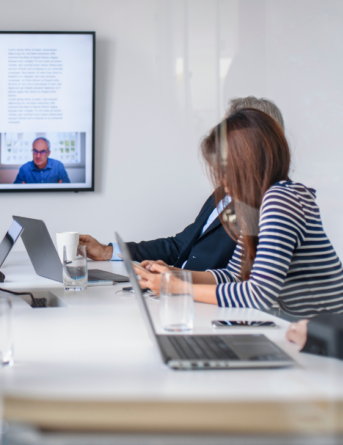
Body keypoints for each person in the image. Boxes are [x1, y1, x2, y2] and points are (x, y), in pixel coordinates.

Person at [134, 108, 343, 317]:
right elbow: (234, 275)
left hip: (328, 337)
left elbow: (258, 294)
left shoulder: (280, 199)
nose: (224, 184)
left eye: (226, 171)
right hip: (308, 329)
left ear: (247, 165)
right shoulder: (258, 205)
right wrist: (176, 275)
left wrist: (178, 288)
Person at [79, 97, 285, 271]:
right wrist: (109, 251)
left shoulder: (273, 205)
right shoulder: (223, 194)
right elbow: (180, 245)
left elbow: (247, 283)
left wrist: (179, 284)